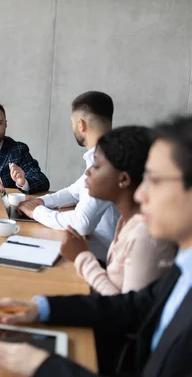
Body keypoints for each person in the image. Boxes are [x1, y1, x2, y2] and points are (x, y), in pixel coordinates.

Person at [0, 115, 192, 377]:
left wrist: (43, 365)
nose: (141, 194)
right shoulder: (183, 268)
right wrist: (40, 308)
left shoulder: (147, 237)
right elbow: (134, 307)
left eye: (153, 181)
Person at [60, 126, 176, 295]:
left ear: (123, 179)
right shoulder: (127, 220)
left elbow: (126, 312)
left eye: (97, 166)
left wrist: (83, 257)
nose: (87, 172)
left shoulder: (145, 236)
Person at [18, 91, 120, 262]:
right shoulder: (104, 154)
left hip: (105, 260)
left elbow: (82, 223)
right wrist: (42, 202)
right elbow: (74, 192)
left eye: (72, 124)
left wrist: (36, 211)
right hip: (94, 250)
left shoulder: (107, 162)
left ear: (81, 124)